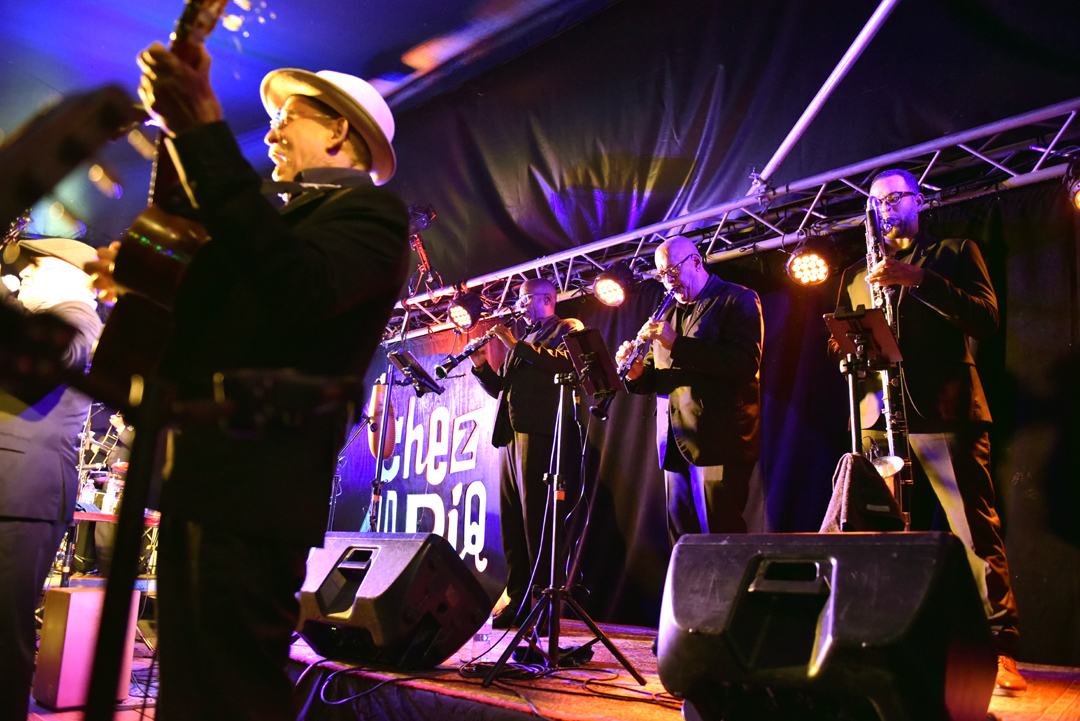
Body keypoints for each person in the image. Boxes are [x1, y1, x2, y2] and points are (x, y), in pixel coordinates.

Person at [87, 39, 410, 719]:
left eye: (287, 117)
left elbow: (296, 283)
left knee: (232, 689)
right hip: (204, 472)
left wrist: (203, 126)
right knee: (192, 689)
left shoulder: (372, 215)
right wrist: (142, 274)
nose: (270, 133)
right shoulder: (282, 217)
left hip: (257, 487)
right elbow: (220, 295)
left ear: (338, 130)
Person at [828, 167, 1025, 695]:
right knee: (879, 534)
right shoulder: (855, 271)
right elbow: (840, 340)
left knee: (973, 531)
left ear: (920, 201)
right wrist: (850, 344)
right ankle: (887, 642)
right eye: (877, 202)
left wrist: (919, 281)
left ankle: (1000, 648)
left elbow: (986, 319)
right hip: (880, 420)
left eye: (896, 198)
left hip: (945, 411)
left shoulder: (954, 252)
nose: (886, 208)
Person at [0, 237, 102, 720]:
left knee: (5, 632)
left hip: (21, 496)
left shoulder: (78, 316)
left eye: (37, 266)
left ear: (70, 274)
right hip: (13, 492)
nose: (25, 273)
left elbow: (52, 360)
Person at [618, 236, 763, 545]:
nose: (668, 281)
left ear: (696, 261)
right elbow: (659, 378)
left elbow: (744, 363)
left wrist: (677, 344)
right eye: (661, 275)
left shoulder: (737, 298)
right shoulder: (667, 314)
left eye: (672, 271)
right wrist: (636, 372)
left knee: (721, 539)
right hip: (674, 444)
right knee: (683, 541)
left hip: (717, 441)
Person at [468, 278, 583, 629]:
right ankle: (517, 599)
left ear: (547, 298)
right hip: (511, 436)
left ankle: (544, 606)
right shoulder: (525, 337)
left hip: (541, 434)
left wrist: (514, 344)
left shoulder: (567, 327)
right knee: (513, 522)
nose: (519, 307)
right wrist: (481, 366)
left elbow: (568, 364)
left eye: (524, 299)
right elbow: (504, 390)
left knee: (538, 522)